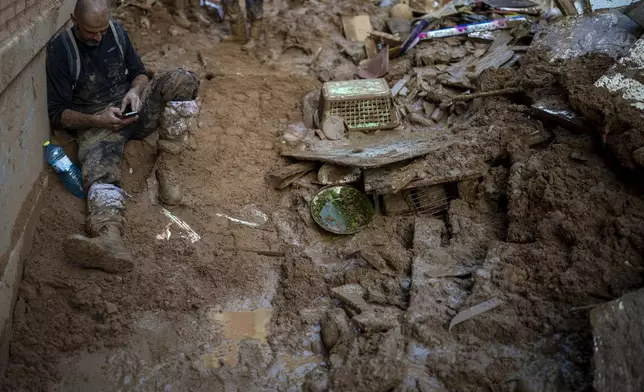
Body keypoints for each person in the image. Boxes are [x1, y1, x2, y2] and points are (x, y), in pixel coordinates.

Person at [46, 0, 200, 273]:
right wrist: (97, 119)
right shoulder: (61, 50)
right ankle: (109, 239)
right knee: (100, 174)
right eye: (91, 32)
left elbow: (139, 73)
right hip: (98, 124)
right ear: (73, 20)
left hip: (133, 111)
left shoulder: (115, 32)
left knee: (183, 79)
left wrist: (134, 92)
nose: (98, 37)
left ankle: (168, 164)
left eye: (102, 30)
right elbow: (58, 114)